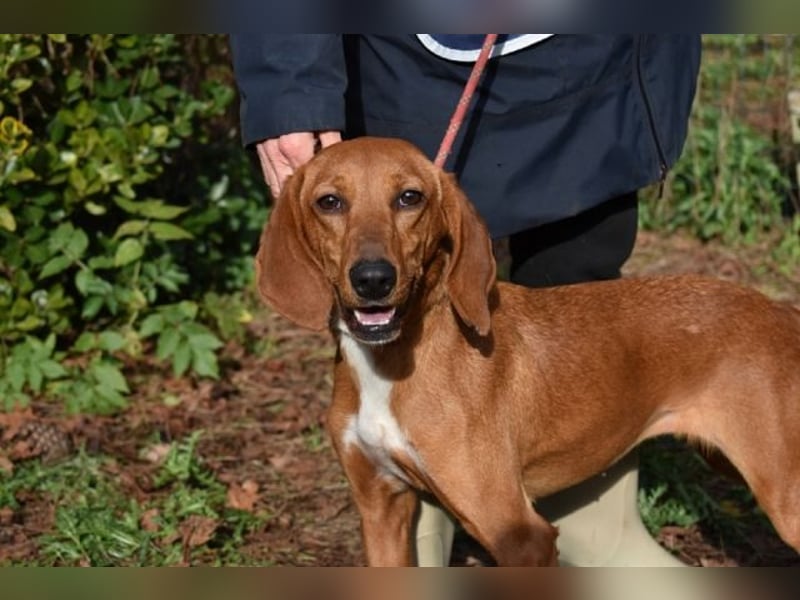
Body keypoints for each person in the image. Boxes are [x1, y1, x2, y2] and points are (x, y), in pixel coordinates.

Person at [230, 34, 702, 567]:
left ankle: (594, 532)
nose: (371, 259)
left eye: (409, 200)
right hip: (405, 63)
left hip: (590, 73)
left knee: (574, 267)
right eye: (331, 203)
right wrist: (289, 93)